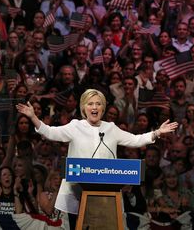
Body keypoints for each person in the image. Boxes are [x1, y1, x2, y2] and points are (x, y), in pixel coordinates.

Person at [16, 89, 178, 219]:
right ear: (84, 108)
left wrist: (157, 132)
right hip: (77, 191)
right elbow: (50, 133)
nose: (94, 107)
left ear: (103, 108)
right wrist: (33, 117)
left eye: (98, 104)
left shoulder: (111, 129)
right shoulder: (75, 126)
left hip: (106, 193)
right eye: (90, 104)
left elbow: (135, 140)